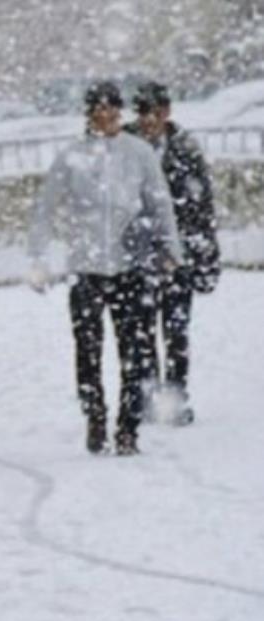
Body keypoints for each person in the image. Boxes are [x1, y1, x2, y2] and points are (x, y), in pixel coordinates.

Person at [29, 80, 185, 456]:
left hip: (129, 263)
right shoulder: (72, 155)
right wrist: (38, 257)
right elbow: (46, 207)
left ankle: (128, 427)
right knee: (87, 349)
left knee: (134, 349)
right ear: (88, 114)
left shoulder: (138, 153)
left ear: (119, 112)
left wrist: (171, 249)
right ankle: (95, 412)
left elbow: (159, 202)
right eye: (96, 110)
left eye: (110, 110)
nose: (104, 117)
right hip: (86, 265)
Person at [124, 81, 220, 426]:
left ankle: (175, 397)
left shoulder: (184, 150)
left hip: (179, 256)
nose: (150, 120)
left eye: (156, 112)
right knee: (142, 331)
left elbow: (201, 207)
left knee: (176, 331)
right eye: (144, 113)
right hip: (137, 257)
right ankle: (149, 397)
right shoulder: (126, 149)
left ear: (166, 112)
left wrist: (204, 254)